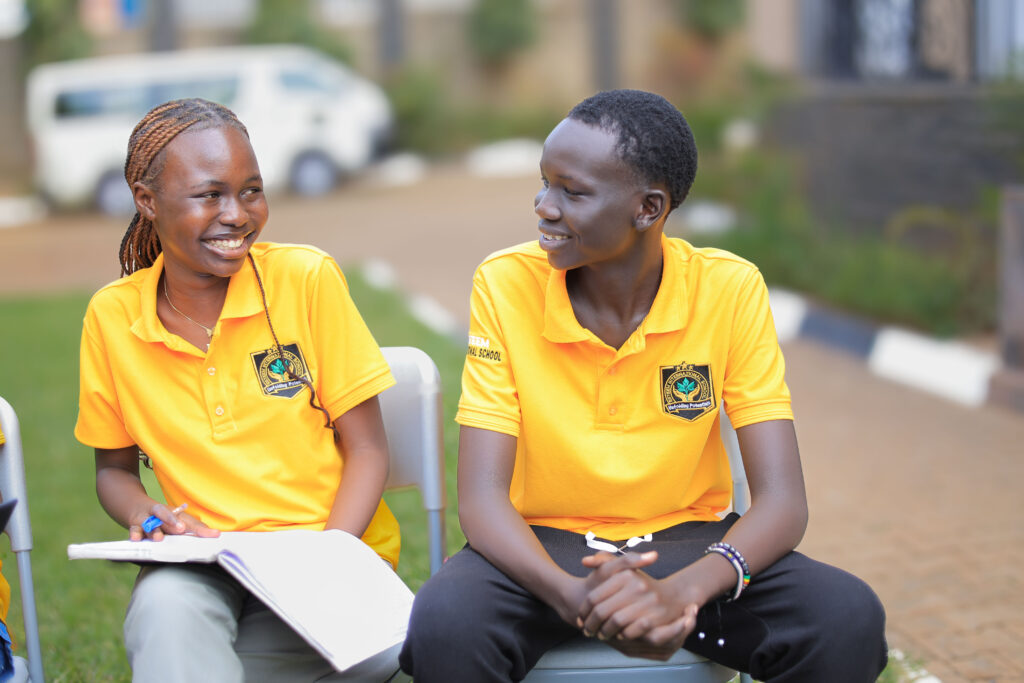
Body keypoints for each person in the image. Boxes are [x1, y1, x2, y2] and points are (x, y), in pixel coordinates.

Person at [399, 89, 887, 682]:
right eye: (545, 183)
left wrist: (683, 593)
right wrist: (571, 596)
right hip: (540, 553)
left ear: (648, 208)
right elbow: (480, 499)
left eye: (572, 191)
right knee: (446, 625)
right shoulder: (505, 284)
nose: (544, 207)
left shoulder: (729, 290)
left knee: (846, 617)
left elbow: (783, 503)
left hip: (693, 549)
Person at [74, 98, 401, 682]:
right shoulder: (112, 317)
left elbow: (369, 448)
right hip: (205, 561)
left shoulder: (305, 279)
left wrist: (329, 559)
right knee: (163, 609)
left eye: (251, 191)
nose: (237, 215)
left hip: (328, 551)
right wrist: (147, 514)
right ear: (147, 201)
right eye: (209, 195)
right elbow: (113, 472)